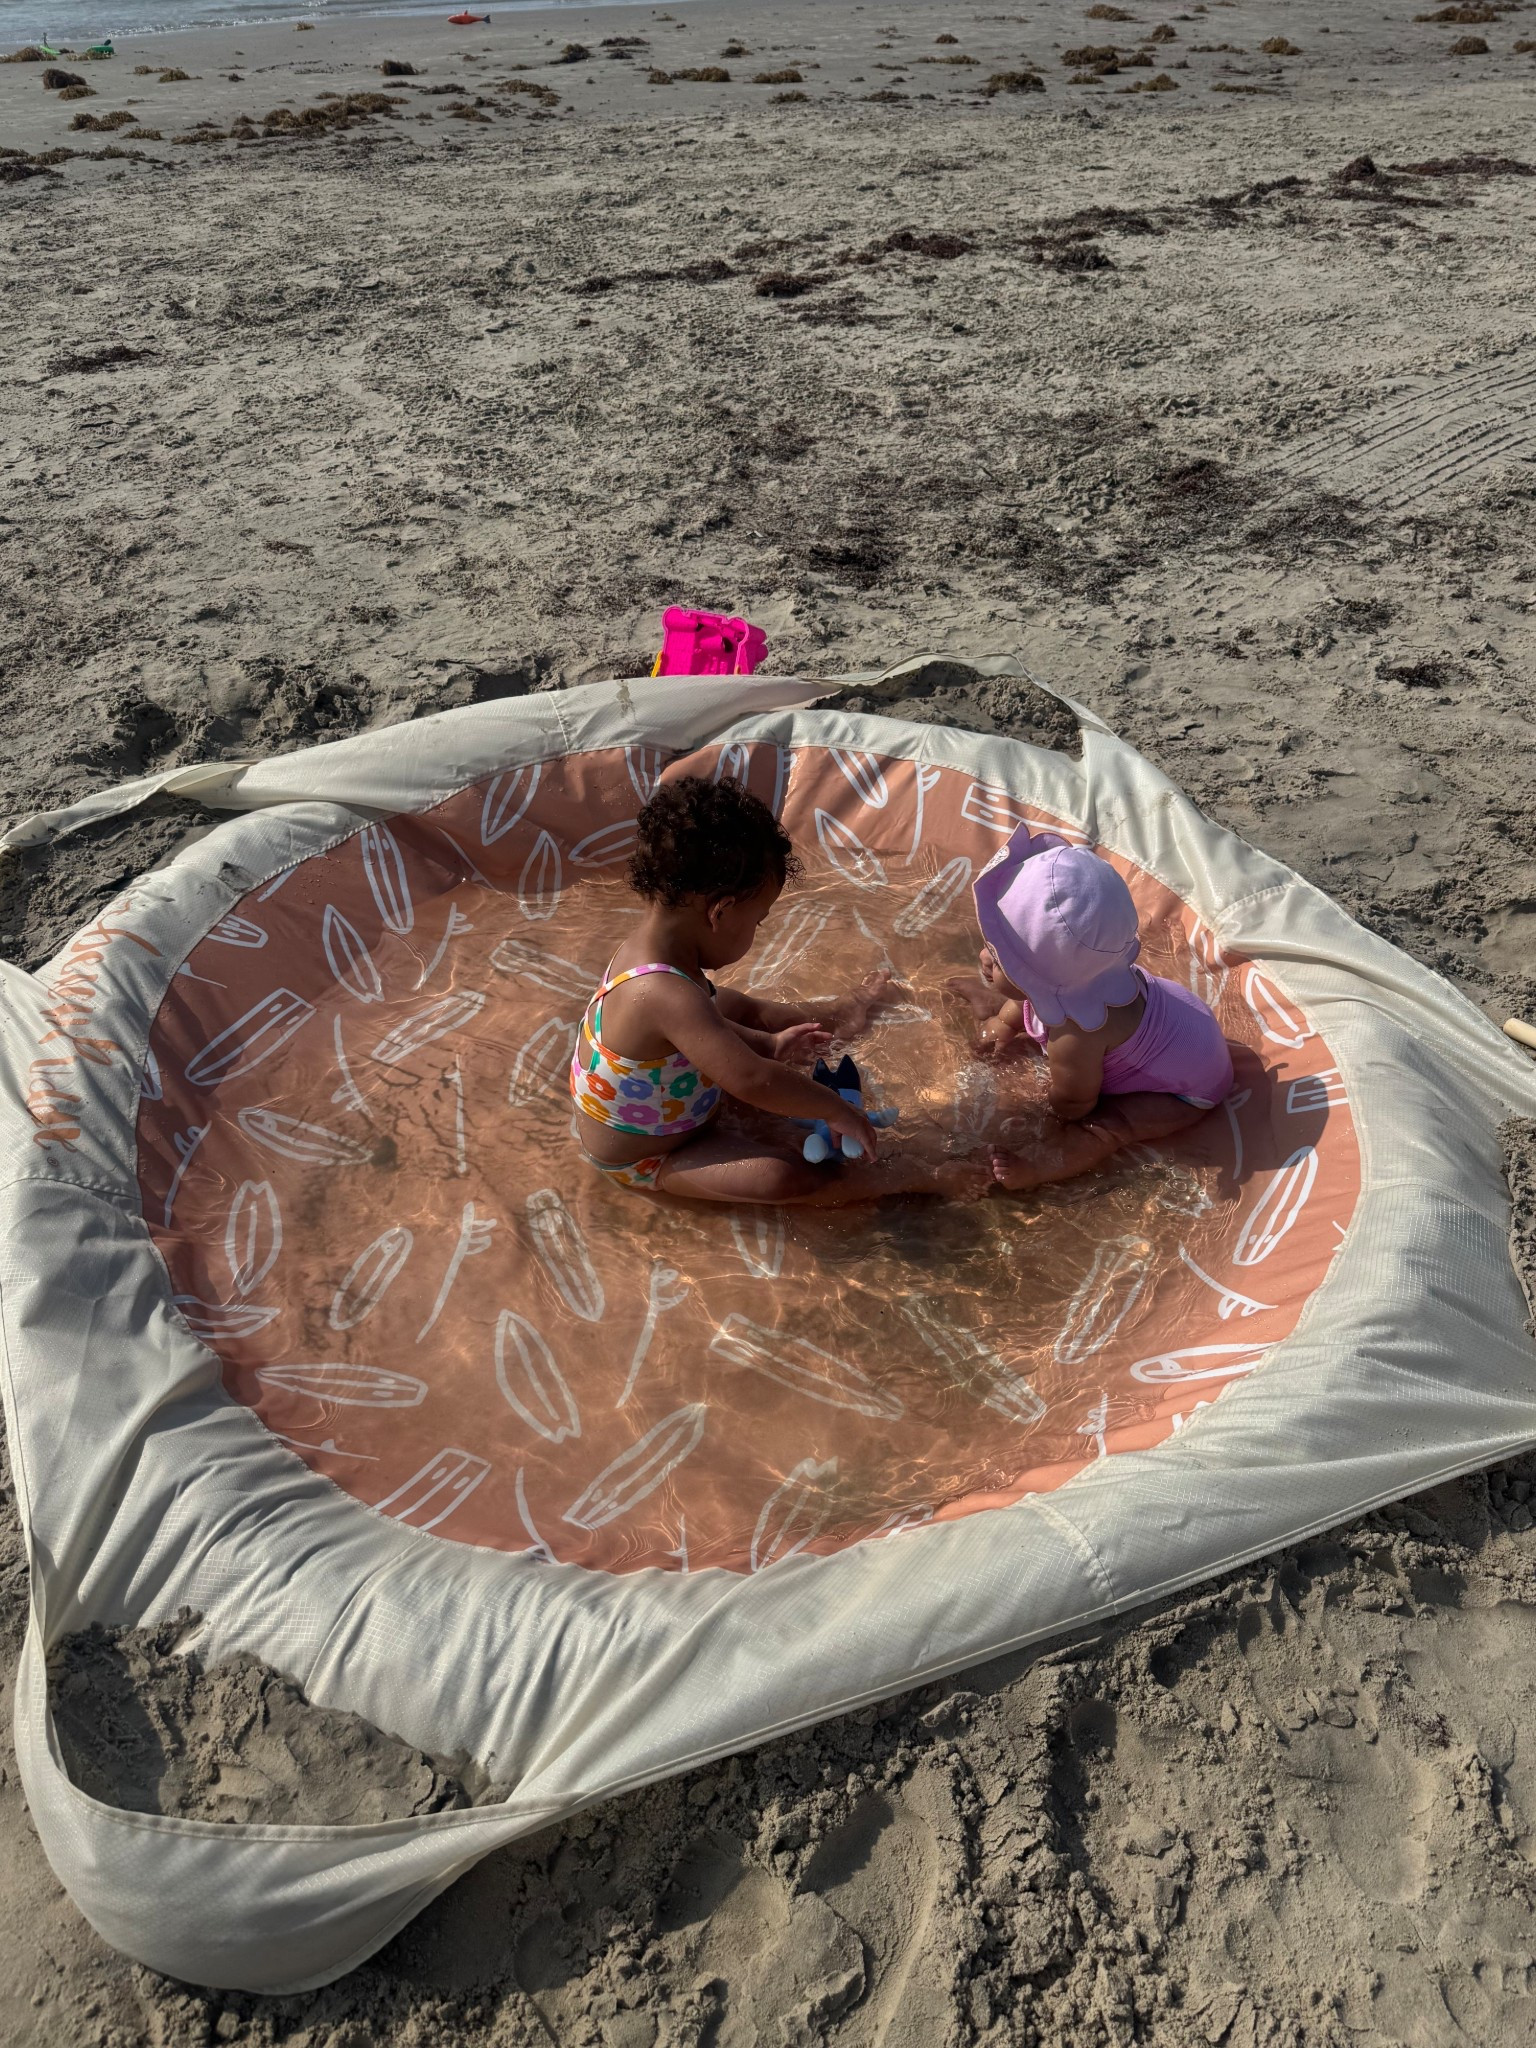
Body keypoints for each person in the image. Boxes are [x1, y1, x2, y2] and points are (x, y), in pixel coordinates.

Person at [571, 778, 979, 1204]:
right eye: (758, 920)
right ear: (721, 911)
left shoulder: (650, 956)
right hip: (657, 1156)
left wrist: (767, 1041)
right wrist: (834, 1108)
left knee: (724, 1004)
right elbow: (753, 1080)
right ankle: (916, 1179)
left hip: (675, 1094)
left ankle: (843, 1011)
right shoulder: (663, 993)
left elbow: (704, 1030)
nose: (757, 930)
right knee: (783, 1177)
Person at [947, 825, 1233, 1191]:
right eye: (991, 946)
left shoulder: (1076, 1035)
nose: (985, 957)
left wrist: (1044, 1114)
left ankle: (1039, 1169)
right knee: (1023, 1005)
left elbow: (1074, 1101)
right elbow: (1035, 995)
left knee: (1109, 1128)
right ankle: (999, 1011)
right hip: (1185, 1027)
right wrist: (999, 1032)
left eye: (1000, 961)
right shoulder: (1090, 973)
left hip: (1186, 1091)